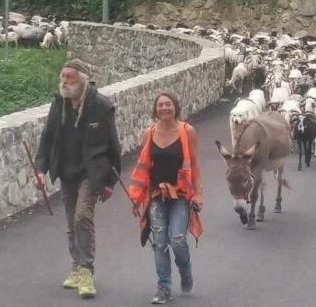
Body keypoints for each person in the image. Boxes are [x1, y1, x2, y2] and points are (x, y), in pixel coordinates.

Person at [33, 59, 122, 299]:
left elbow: (114, 145)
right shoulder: (58, 104)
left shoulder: (100, 105)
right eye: (62, 77)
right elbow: (47, 138)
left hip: (91, 173)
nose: (64, 82)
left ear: (82, 80)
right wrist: (40, 169)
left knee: (83, 216)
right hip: (66, 171)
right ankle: (76, 266)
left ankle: (86, 271)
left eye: (69, 78)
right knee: (72, 221)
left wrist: (110, 182)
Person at [128, 92, 204, 304]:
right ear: (155, 109)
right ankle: (164, 288)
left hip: (180, 195)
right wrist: (136, 197)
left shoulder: (186, 131)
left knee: (178, 240)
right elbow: (142, 167)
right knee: (159, 242)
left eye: (167, 104)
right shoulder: (149, 133)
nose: (164, 108)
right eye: (160, 105)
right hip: (156, 195)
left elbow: (195, 164)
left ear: (175, 107)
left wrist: (198, 193)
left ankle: (185, 269)